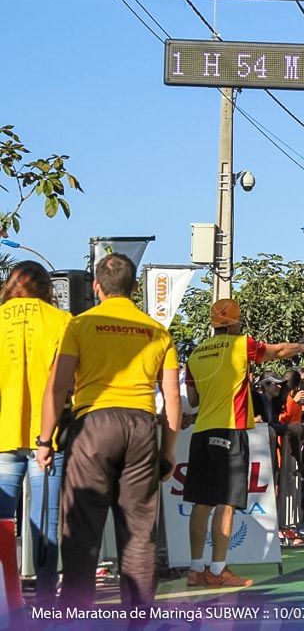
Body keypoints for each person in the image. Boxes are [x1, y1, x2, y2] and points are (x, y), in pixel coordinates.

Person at [37, 253, 181, 608]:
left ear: (97, 288)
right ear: (134, 288)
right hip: (143, 425)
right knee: (139, 530)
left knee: (82, 527)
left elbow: (58, 387)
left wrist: (44, 441)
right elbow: (173, 397)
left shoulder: (80, 325)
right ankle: (139, 615)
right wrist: (168, 452)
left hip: (93, 426)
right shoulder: (158, 331)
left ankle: (76, 612)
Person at [183, 298, 304, 587]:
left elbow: (193, 400)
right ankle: (217, 572)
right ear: (236, 322)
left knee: (200, 503)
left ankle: (195, 570)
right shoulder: (241, 344)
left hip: (202, 432)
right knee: (226, 504)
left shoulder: (196, 354)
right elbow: (278, 351)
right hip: (229, 431)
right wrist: (302, 347)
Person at [0, 262, 71, 602]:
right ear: (47, 287)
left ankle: (6, 598)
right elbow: (69, 383)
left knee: (0, 523)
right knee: (45, 522)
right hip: (48, 437)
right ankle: (45, 602)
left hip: (2, 435)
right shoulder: (62, 322)